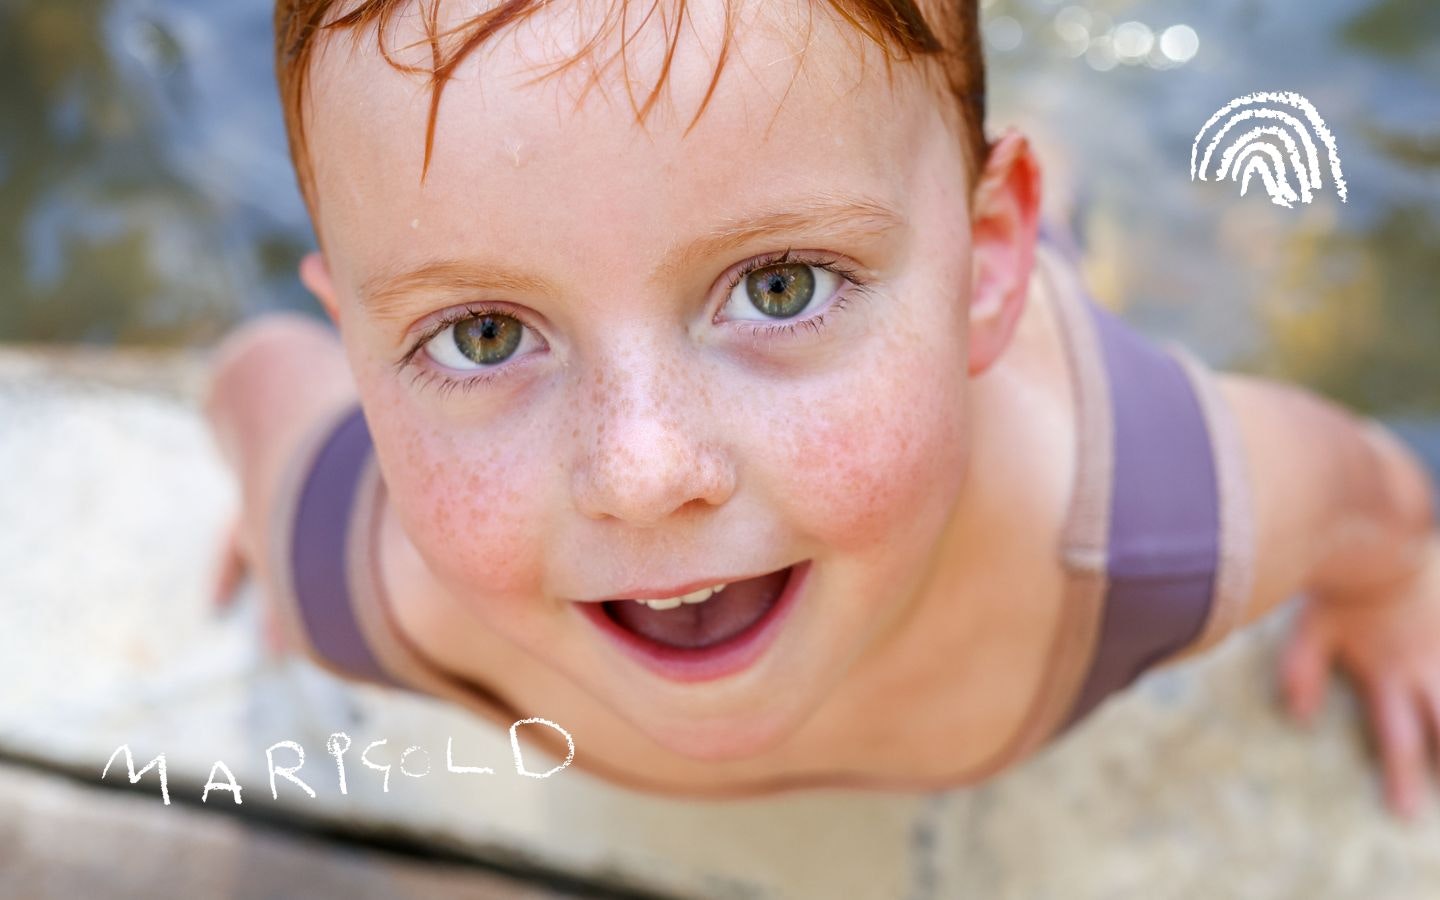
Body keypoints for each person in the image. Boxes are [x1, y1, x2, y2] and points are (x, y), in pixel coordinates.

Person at [203, 0, 1440, 818]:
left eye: (778, 286)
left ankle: (1062, 140)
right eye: (481, 335)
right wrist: (279, 514)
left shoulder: (1157, 527)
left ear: (984, 257)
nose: (641, 472)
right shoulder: (355, 581)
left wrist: (1396, 591)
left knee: (1115, 195)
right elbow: (250, 376)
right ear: (363, 355)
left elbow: (1371, 495)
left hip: (1016, 336)